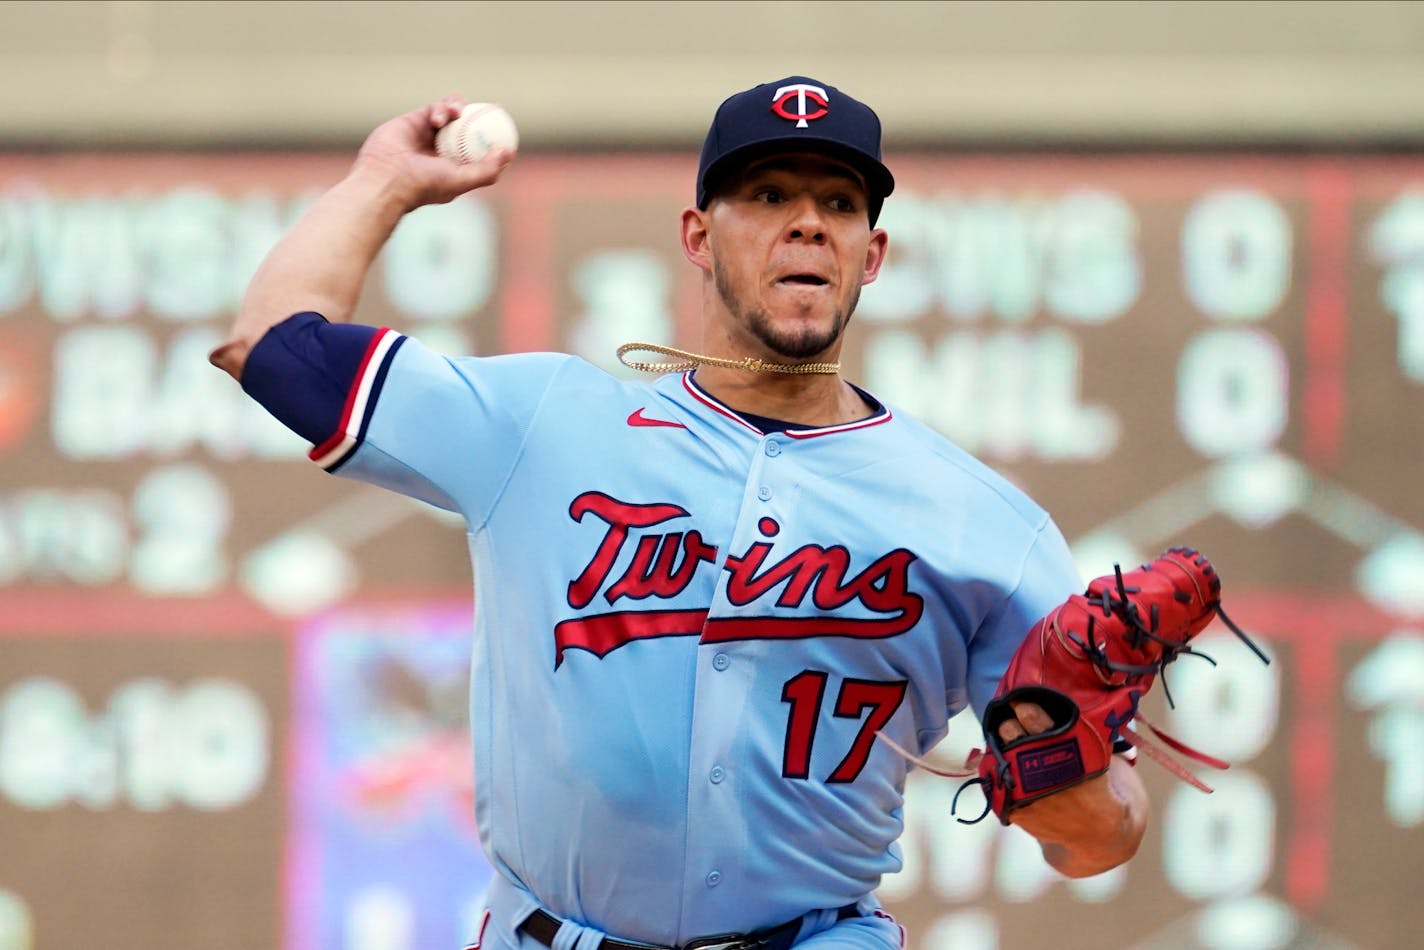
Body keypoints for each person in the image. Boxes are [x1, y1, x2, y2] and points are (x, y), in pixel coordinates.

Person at [211, 76, 1147, 950]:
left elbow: (1098, 844)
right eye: (770, 195)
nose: (808, 226)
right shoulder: (545, 427)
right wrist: (382, 183)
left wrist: (1066, 777)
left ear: (874, 253)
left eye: (840, 204)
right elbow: (276, 347)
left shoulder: (984, 525)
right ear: (699, 237)